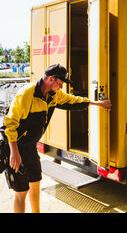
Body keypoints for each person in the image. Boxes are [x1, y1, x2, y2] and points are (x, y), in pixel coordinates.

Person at [2, 64, 111, 213]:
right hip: (15, 146)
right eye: (60, 83)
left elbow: (73, 100)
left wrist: (97, 103)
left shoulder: (53, 95)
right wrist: (14, 152)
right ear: (51, 79)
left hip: (30, 147)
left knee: (35, 182)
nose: (61, 87)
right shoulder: (27, 94)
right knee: (22, 192)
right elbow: (10, 124)